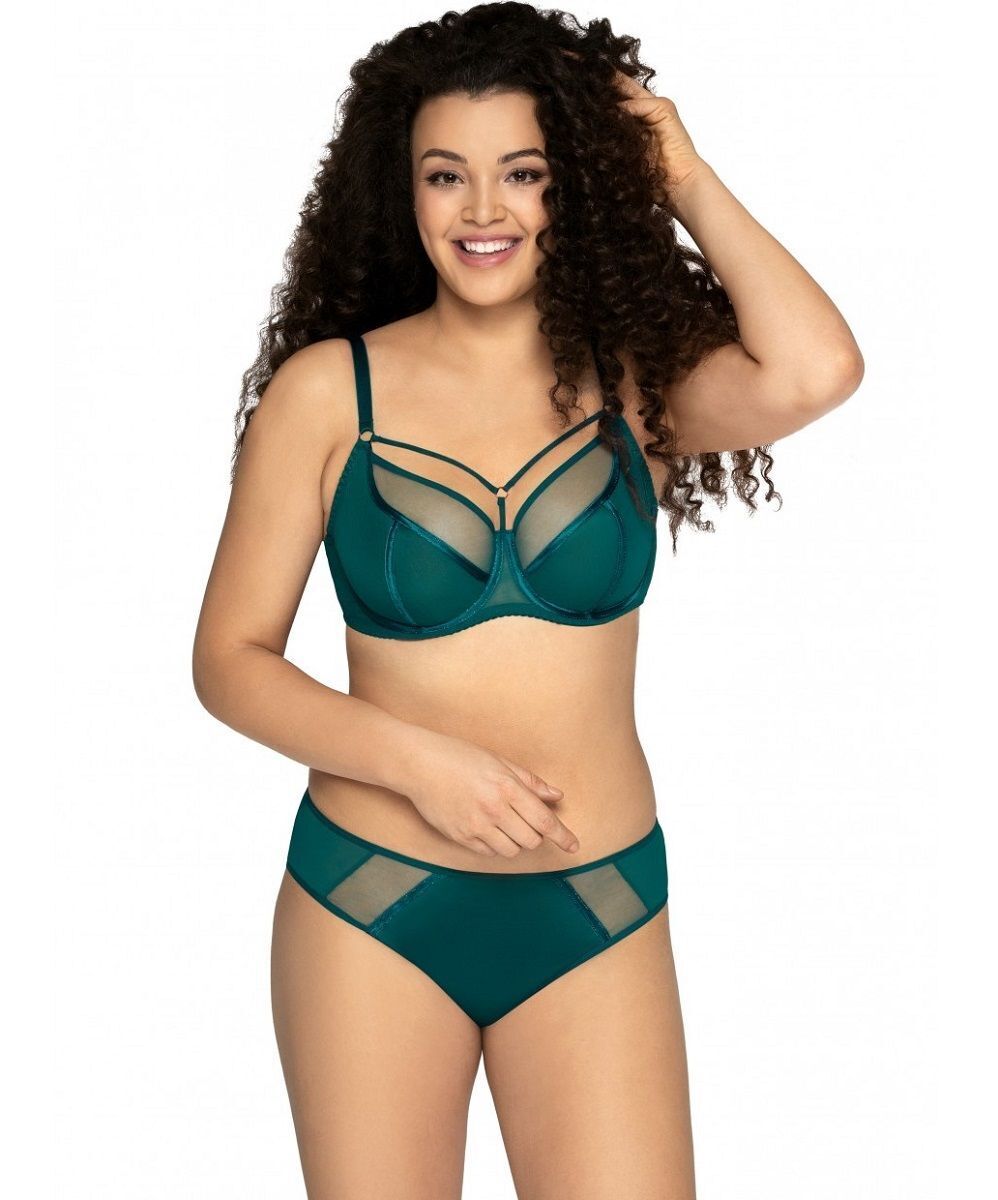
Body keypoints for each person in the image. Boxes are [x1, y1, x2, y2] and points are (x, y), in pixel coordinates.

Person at [192, 4, 864, 1196]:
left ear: (576, 187)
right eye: (444, 175)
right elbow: (229, 660)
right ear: (401, 190)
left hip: (597, 901)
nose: (482, 210)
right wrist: (418, 764)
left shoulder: (633, 388)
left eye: (523, 172)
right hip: (372, 900)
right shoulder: (328, 393)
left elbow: (816, 369)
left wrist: (679, 170)